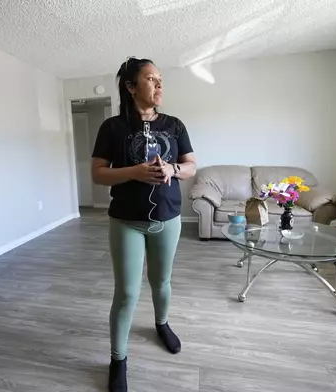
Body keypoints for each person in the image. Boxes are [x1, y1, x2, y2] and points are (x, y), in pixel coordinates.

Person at [91, 57, 196, 392]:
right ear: (131, 87)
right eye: (151, 78)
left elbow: (191, 165)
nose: (159, 84)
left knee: (161, 282)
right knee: (126, 292)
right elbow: (97, 173)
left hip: (169, 218)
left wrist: (173, 170)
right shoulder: (112, 127)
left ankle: (161, 324)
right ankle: (118, 358)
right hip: (126, 221)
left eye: (161, 78)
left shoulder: (175, 124)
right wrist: (134, 172)